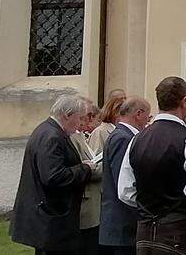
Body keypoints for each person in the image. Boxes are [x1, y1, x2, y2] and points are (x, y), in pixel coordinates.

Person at [118, 77, 186, 254]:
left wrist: (151, 206)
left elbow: (125, 191)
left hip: (144, 233)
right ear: (184, 101)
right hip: (178, 234)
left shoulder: (136, 140)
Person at [9, 94, 97, 254]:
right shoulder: (52, 136)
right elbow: (53, 176)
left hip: (49, 214)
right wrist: (85, 169)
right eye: (79, 118)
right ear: (67, 115)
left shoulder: (48, 130)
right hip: (51, 217)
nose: (79, 124)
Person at [100, 96, 151, 255]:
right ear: (138, 114)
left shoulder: (121, 135)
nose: (148, 122)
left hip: (121, 220)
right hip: (123, 220)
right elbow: (123, 180)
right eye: (147, 117)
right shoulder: (124, 138)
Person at [70, 98, 103, 254]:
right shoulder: (72, 137)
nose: (90, 119)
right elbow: (83, 167)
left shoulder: (81, 136)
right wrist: (100, 167)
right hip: (85, 203)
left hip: (94, 201)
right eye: (87, 115)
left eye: (91, 115)